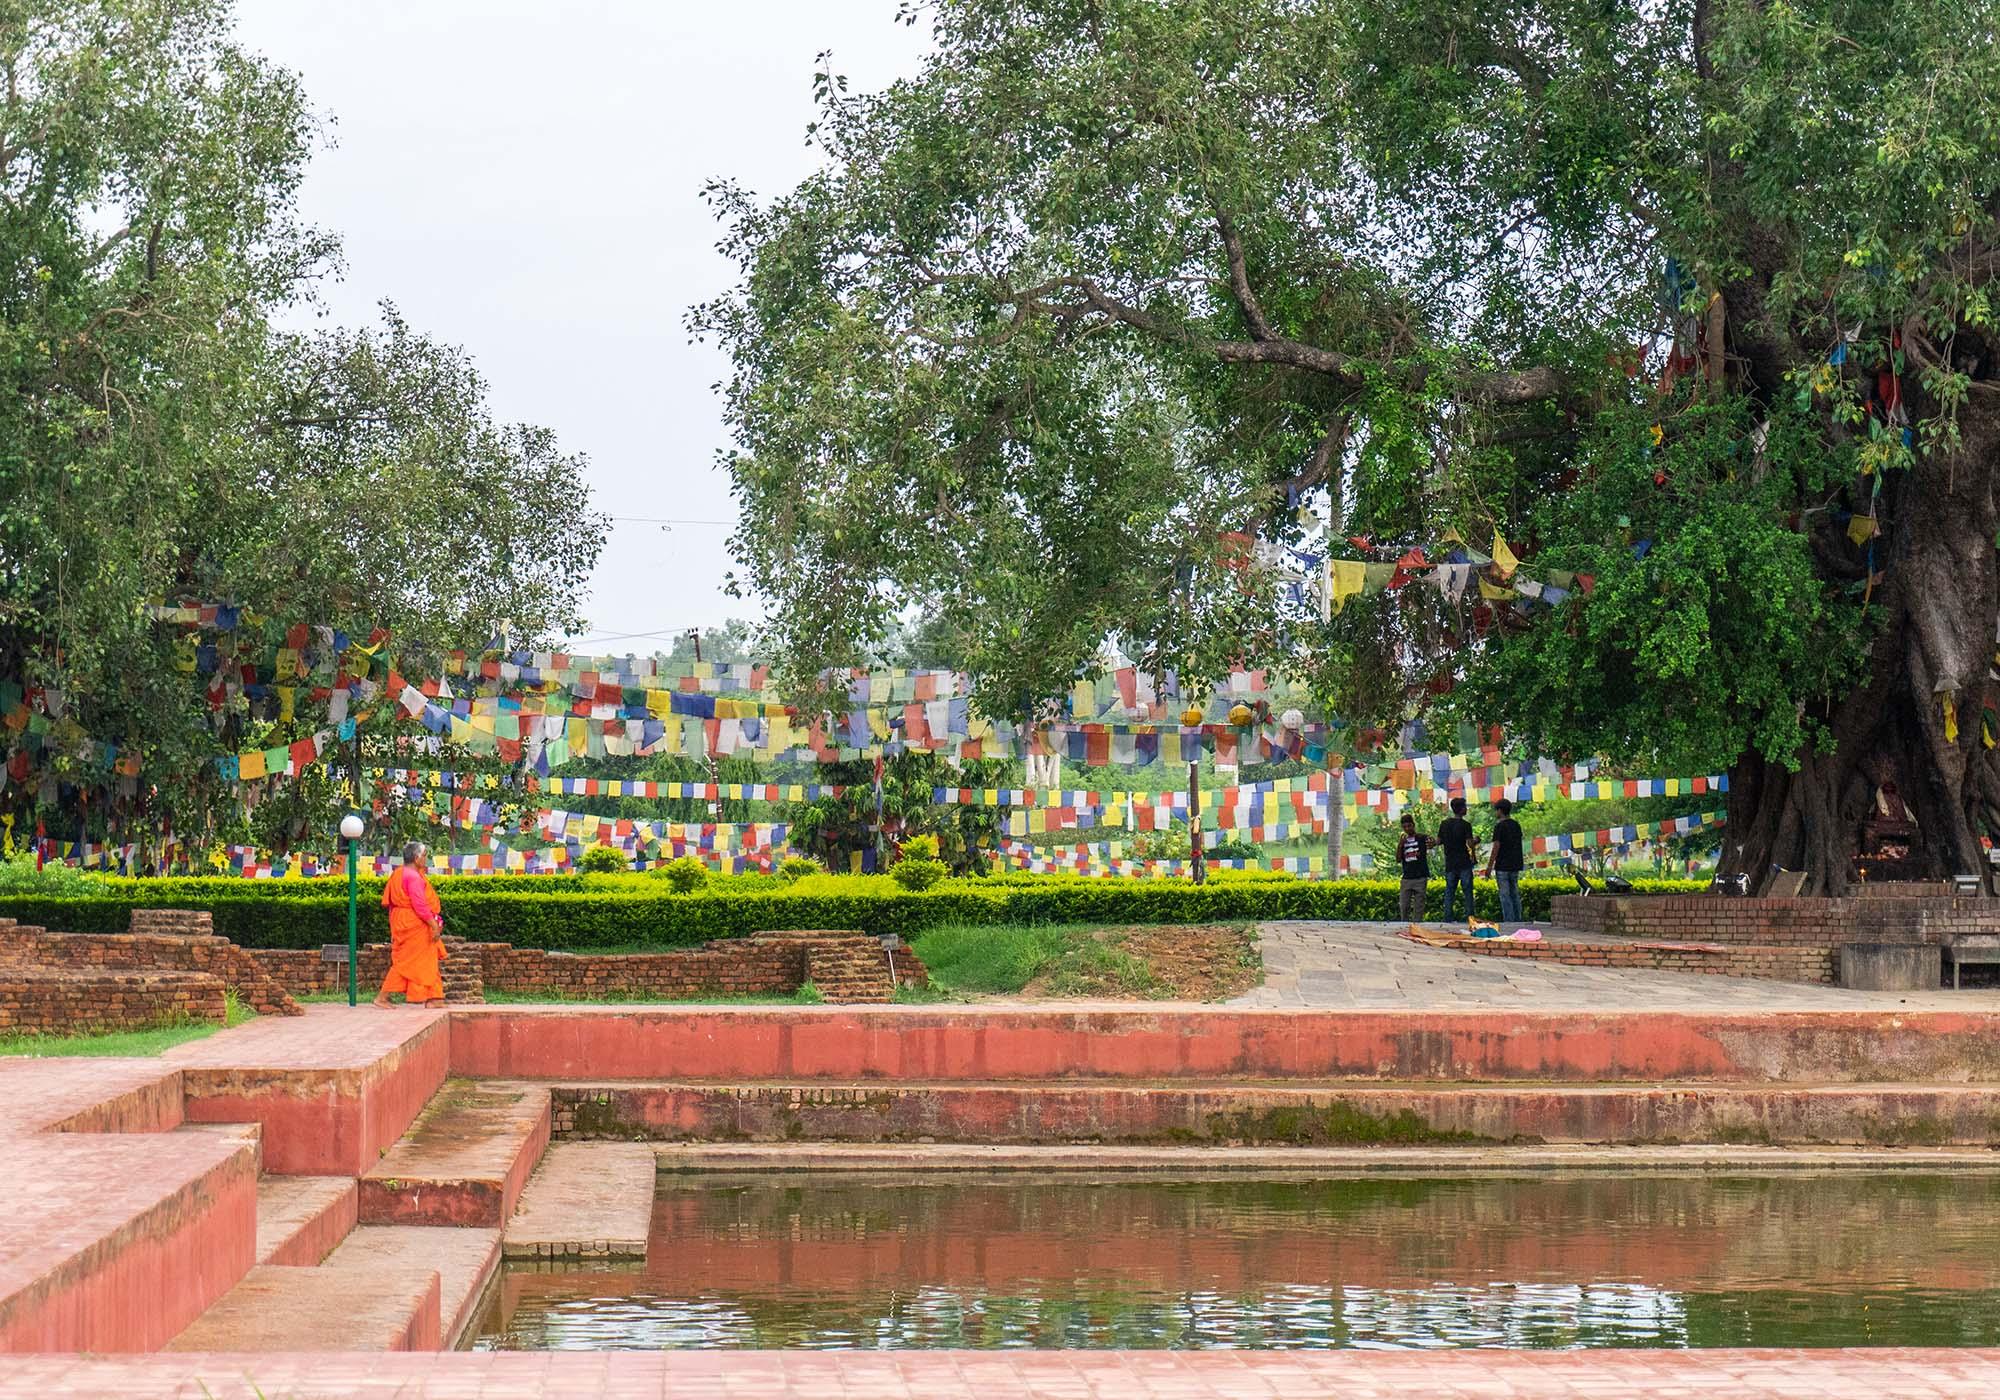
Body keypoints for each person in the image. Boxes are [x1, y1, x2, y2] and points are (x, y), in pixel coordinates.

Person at [374, 841, 447, 1008]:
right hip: (414, 922)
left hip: (404, 920)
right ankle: (382, 997)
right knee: (407, 962)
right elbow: (420, 905)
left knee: (428, 957)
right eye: (424, 855)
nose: (426, 859)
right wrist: (434, 925)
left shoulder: (399, 873)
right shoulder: (413, 877)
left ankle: (435, 998)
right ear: (416, 858)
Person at [1485, 798, 1525, 923]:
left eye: (1496, 810)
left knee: (1505, 895)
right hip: (1515, 863)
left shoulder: (1499, 827)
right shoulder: (1516, 825)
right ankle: (1518, 919)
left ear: (1500, 811)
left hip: (1502, 865)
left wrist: (1489, 866)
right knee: (1514, 894)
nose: (1495, 813)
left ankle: (1509, 920)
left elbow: (1496, 847)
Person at [1438, 797, 1477, 921]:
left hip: (1450, 862)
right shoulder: (1466, 825)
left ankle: (1448, 917)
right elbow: (1470, 844)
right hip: (1464, 862)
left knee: (1449, 892)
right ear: (1461, 809)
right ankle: (1470, 917)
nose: (1466, 809)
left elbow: (1438, 841)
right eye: (1465, 807)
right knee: (1467, 892)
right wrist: (1476, 840)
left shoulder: (1444, 824)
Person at [1396, 814, 1430, 921]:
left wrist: (1431, 841)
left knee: (1419, 908)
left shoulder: (1421, 838)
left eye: (1409, 826)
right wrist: (1400, 845)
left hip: (1420, 877)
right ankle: (1404, 926)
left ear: (1413, 825)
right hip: (1407, 878)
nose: (1407, 829)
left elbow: (1431, 842)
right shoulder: (1403, 841)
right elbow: (1398, 859)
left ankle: (1417, 927)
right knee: (1404, 906)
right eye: (1405, 827)